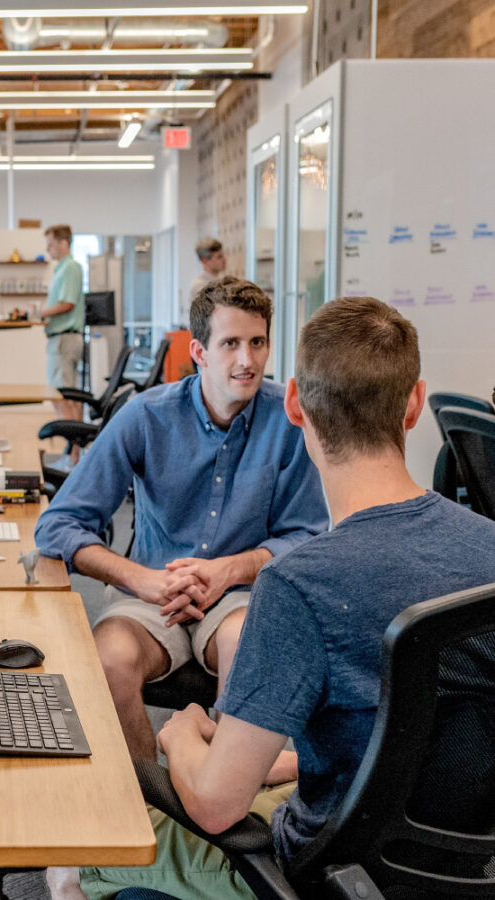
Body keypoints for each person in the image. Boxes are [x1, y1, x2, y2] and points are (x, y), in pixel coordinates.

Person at [51, 296, 495, 900]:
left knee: (72, 854)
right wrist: (283, 763)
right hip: (464, 869)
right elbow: (410, 736)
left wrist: (180, 734)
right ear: (415, 404)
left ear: (294, 406)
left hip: (318, 868)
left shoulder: (298, 586)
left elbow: (214, 806)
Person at [35, 277, 329, 762]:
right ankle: (147, 793)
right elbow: (57, 525)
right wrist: (140, 579)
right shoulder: (146, 416)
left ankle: (223, 789)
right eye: (230, 344)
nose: (247, 360)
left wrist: (229, 570)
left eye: (257, 342)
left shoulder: (290, 421)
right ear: (199, 352)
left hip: (240, 596)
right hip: (151, 593)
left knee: (247, 649)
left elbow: (308, 536)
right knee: (107, 661)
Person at [40, 224, 85, 422]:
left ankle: (72, 441)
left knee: (61, 396)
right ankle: (76, 440)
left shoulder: (70, 268)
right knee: (68, 396)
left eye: (50, 244)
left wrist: (40, 313)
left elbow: (67, 304)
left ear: (64, 243)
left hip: (65, 339)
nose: (47, 249)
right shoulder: (62, 269)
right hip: (62, 339)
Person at [179, 238, 226, 329]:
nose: (224, 259)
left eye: (223, 255)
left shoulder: (224, 280)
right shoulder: (199, 287)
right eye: (219, 257)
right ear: (205, 260)